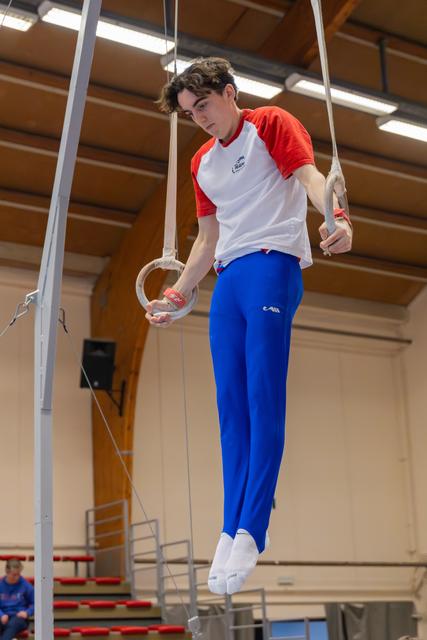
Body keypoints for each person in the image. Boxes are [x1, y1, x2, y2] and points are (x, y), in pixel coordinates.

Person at [146, 57, 352, 595]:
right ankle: (227, 524)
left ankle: (252, 529)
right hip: (228, 280)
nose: (202, 119)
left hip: (271, 264)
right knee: (230, 413)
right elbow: (206, 241)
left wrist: (338, 220)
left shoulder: (272, 125)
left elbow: (311, 178)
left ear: (231, 93)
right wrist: (177, 292)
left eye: (205, 105)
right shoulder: (201, 164)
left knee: (263, 399)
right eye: (191, 113)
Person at [0, 559, 34, 639]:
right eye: (14, 575)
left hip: (18, 617)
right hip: (3, 615)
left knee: (12, 625)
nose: (17, 577)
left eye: (18, 574)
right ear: (7, 572)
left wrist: (27, 612)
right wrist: (1, 615)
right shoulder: (1, 585)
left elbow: (35, 603)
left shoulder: (26, 586)